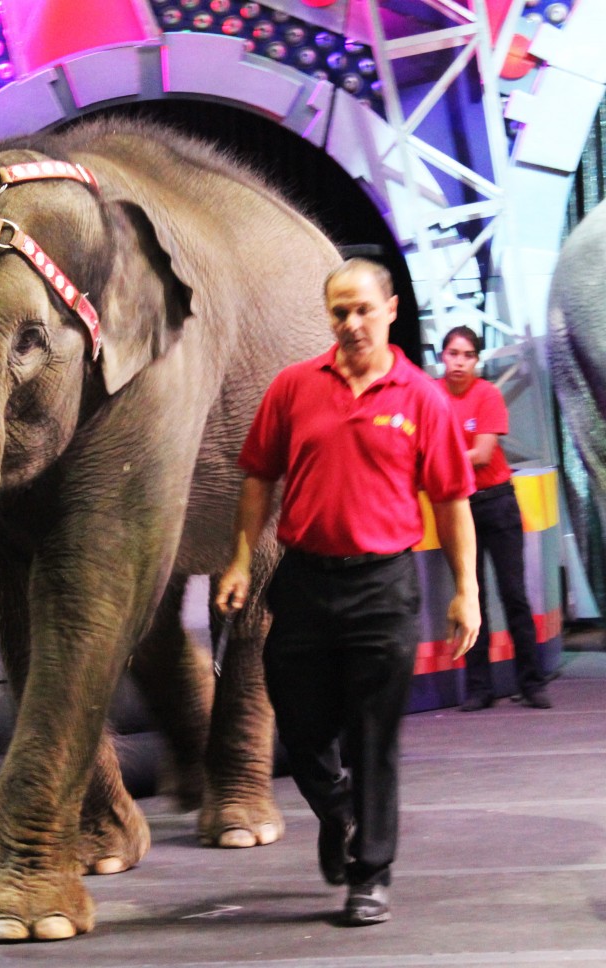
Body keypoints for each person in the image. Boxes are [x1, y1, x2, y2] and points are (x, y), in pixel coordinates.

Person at [216, 258, 480, 926]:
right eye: (339, 311)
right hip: (302, 580)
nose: (352, 323)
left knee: (374, 738)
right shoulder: (293, 388)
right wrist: (242, 560)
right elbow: (257, 478)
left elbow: (451, 502)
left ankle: (372, 875)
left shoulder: (422, 398)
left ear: (390, 309)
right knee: (302, 730)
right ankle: (338, 813)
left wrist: (465, 591)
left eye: (363, 309)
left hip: (383, 588)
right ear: (327, 316)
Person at [437, 326, 551, 711]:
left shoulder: (486, 394)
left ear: (476, 360)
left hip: (498, 502)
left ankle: (532, 683)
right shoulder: (431, 396)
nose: (459, 361)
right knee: (472, 598)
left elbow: (483, 454)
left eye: (467, 355)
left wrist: (435, 458)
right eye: (453, 353)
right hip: (459, 507)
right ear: (442, 357)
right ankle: (479, 688)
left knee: (514, 594)